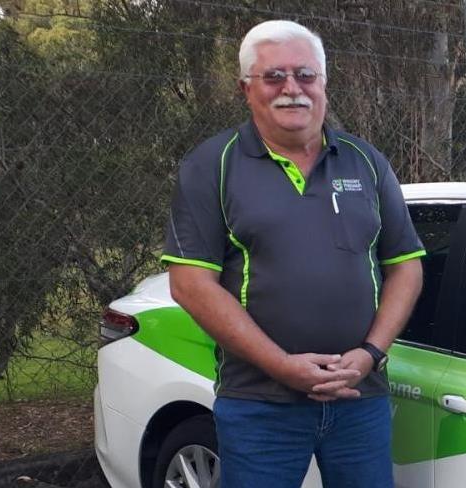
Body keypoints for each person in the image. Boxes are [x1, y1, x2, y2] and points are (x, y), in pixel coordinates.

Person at [159, 19, 425, 488]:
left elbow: (405, 266)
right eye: (274, 76)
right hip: (261, 404)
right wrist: (283, 366)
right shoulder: (211, 165)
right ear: (246, 89)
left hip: (358, 397)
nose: (292, 89)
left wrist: (369, 354)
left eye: (305, 75)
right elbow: (190, 284)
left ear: (323, 83)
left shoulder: (366, 162)